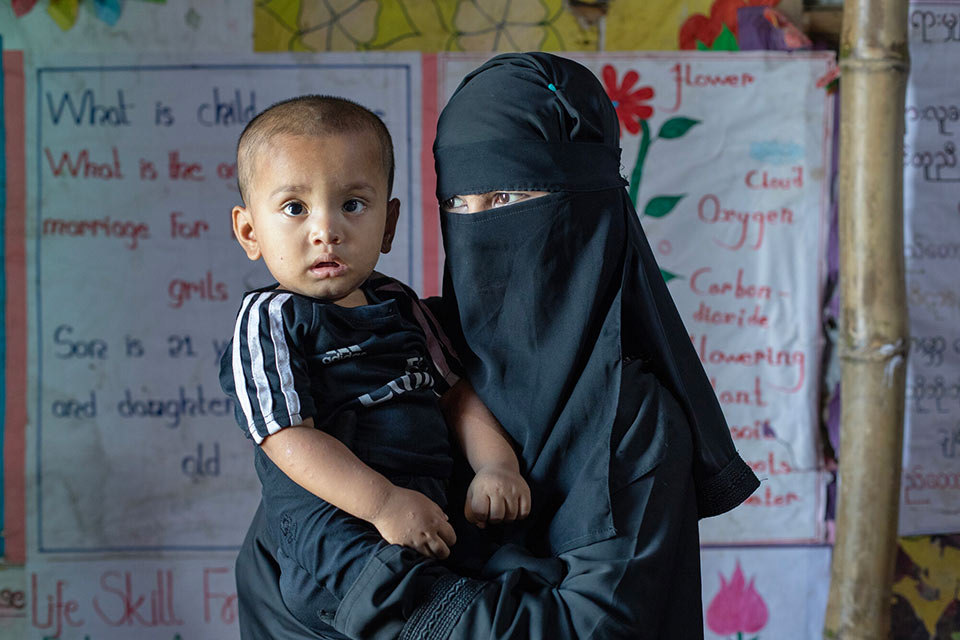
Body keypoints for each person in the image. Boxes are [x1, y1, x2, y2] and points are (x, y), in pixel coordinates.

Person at [234, 53, 761, 640]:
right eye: (460, 203)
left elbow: (591, 630)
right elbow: (276, 566)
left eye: (508, 200)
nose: (480, 226)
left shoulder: (634, 421)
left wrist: (380, 590)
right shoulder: (395, 349)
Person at [219, 95, 531, 636]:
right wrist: (383, 504)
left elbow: (455, 395)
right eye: (295, 208)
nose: (326, 230)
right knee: (372, 580)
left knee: (509, 577)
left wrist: (495, 466)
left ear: (389, 224)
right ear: (250, 232)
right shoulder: (269, 319)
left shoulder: (402, 305)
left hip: (426, 511)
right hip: (344, 523)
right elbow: (283, 435)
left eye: (353, 205)